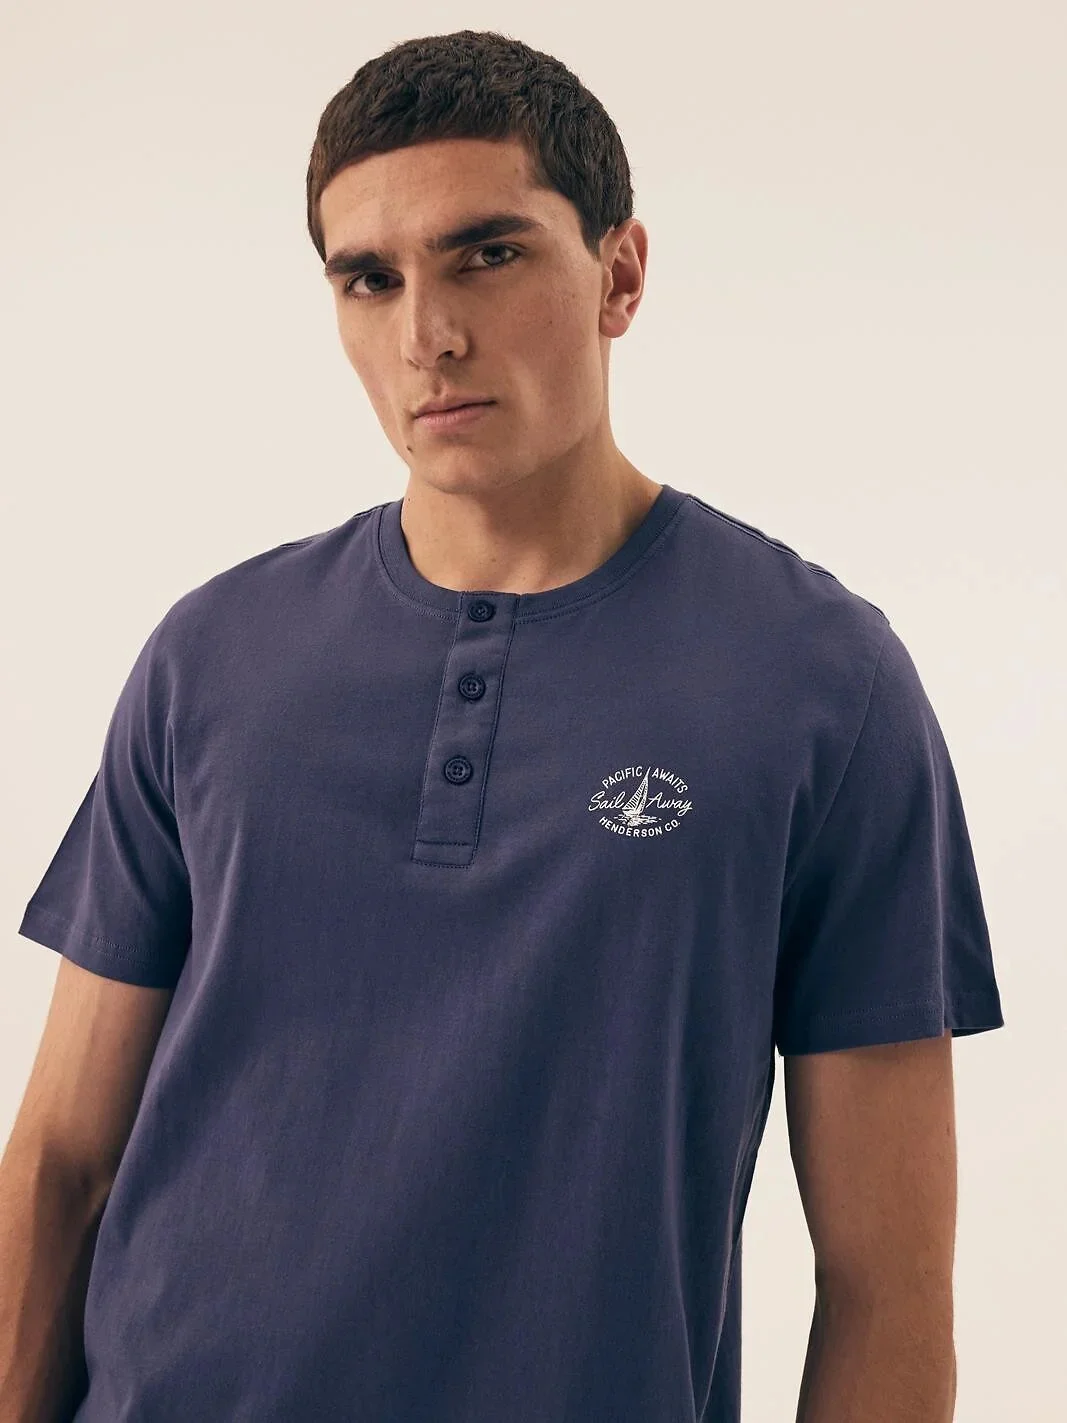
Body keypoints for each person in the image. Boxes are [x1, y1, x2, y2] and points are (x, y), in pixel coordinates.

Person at [1, 28, 1004, 1423]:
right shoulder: (213, 655)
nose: (427, 334)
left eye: (486, 254)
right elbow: (60, 1161)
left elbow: (888, 1286)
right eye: (370, 278)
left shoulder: (820, 681)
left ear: (620, 274)